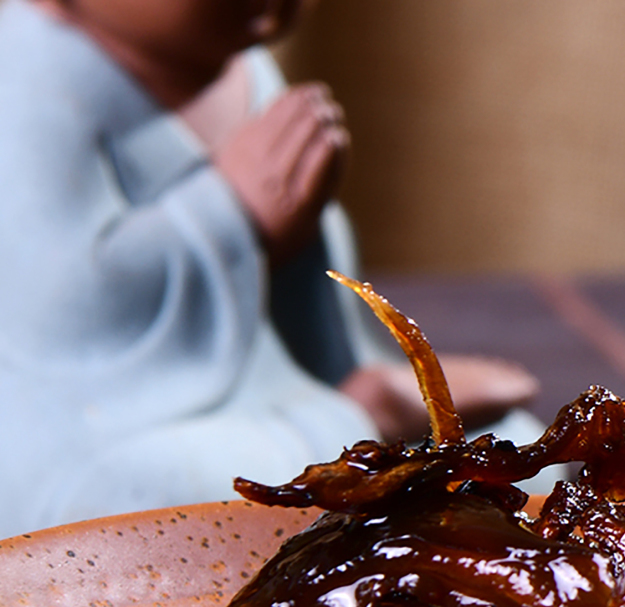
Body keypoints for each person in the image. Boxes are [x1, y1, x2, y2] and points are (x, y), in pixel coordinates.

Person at [0, 0, 543, 538]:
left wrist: (288, 227)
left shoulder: (235, 63)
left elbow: (300, 289)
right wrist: (230, 214)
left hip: (261, 391)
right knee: (133, 505)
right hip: (91, 427)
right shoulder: (28, 79)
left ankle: (357, 433)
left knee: (519, 446)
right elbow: (60, 305)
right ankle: (363, 424)